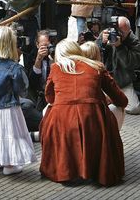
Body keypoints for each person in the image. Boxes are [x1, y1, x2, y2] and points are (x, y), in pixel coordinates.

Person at [40, 39, 127, 186]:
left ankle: (66, 170)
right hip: (92, 117)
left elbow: (49, 97)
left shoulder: (55, 68)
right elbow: (121, 99)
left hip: (62, 118)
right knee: (109, 113)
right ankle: (97, 168)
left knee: (49, 113)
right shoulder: (96, 67)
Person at [0, 26, 36, 175]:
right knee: (9, 134)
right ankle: (9, 165)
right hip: (8, 106)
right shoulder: (13, 67)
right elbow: (20, 89)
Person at [99, 16, 140, 114]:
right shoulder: (106, 34)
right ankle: (114, 100)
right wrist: (102, 43)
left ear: (129, 30)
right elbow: (93, 55)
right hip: (104, 79)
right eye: (120, 32)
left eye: (124, 33)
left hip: (122, 81)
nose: (121, 36)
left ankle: (111, 100)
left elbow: (132, 64)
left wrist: (120, 47)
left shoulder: (133, 40)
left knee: (134, 108)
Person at [80, 41, 125, 130]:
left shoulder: (69, 69)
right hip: (91, 116)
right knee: (119, 107)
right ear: (98, 55)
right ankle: (112, 138)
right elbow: (122, 100)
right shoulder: (99, 70)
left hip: (68, 115)